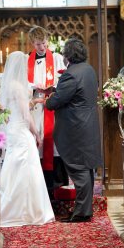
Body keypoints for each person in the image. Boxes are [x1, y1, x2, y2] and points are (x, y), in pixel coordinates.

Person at [45, 38, 103, 223]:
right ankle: (84, 210)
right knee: (86, 169)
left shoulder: (70, 74)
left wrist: (48, 99)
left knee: (78, 169)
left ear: (68, 55)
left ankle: (81, 213)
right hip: (88, 124)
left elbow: (56, 101)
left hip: (75, 128)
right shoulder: (88, 69)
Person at [0, 51, 55, 227]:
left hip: (11, 130)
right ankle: (27, 212)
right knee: (28, 169)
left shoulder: (7, 86)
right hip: (21, 131)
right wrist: (36, 133)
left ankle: (7, 208)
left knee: (11, 168)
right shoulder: (18, 87)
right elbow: (25, 115)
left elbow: (7, 111)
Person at [28, 25, 69, 198]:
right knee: (39, 141)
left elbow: (65, 79)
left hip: (52, 105)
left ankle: (56, 183)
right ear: (32, 43)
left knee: (54, 144)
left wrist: (52, 89)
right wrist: (35, 88)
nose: (42, 47)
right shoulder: (27, 61)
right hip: (36, 108)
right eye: (38, 44)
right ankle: (40, 186)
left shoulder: (57, 58)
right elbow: (24, 82)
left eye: (44, 43)